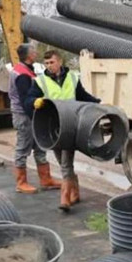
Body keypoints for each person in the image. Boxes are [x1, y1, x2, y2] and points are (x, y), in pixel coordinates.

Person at [25, 50, 101, 211]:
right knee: (63, 163)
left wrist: (98, 104)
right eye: (46, 63)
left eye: (51, 62)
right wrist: (34, 101)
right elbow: (28, 99)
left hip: (70, 126)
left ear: (60, 61)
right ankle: (76, 192)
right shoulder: (40, 81)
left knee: (66, 164)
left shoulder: (73, 77)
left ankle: (65, 199)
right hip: (53, 128)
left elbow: (82, 96)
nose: (49, 66)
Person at [10, 43, 60, 194]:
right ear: (29, 55)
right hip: (25, 115)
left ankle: (46, 180)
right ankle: (21, 183)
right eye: (34, 51)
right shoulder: (22, 74)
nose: (36, 53)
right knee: (23, 147)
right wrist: (37, 117)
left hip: (32, 114)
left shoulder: (28, 70)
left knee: (40, 146)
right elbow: (26, 101)